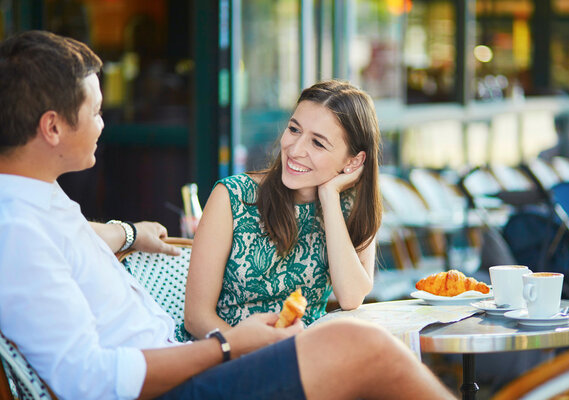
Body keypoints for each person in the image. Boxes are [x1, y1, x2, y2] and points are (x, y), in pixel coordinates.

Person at [0, 30, 455, 400]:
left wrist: (129, 233)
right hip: (180, 377)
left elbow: (75, 241)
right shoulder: (17, 228)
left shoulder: (40, 204)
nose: (105, 124)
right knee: (362, 346)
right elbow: (88, 381)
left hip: (184, 362)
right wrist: (230, 345)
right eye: (96, 111)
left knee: (362, 354)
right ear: (53, 127)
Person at [185, 80, 382, 336]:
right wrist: (255, 353)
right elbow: (196, 318)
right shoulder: (232, 197)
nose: (295, 149)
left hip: (304, 357)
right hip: (230, 356)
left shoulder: (349, 206)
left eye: (318, 143)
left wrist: (329, 197)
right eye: (294, 129)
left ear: (353, 161)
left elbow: (351, 297)